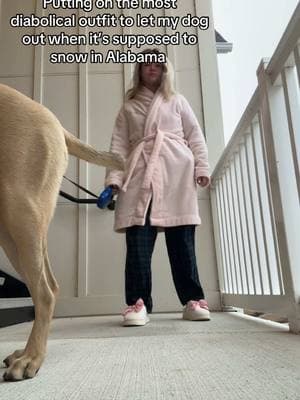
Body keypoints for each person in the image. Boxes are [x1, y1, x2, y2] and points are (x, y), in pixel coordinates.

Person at [105, 48, 211, 326]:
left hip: (176, 172)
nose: (152, 67)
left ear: (166, 70)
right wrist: (114, 180)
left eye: (157, 63)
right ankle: (138, 303)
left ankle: (192, 300)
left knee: (182, 241)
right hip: (140, 175)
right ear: (138, 70)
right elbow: (117, 146)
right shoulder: (128, 107)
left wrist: (201, 166)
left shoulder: (177, 101)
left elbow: (195, 136)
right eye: (146, 64)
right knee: (138, 242)